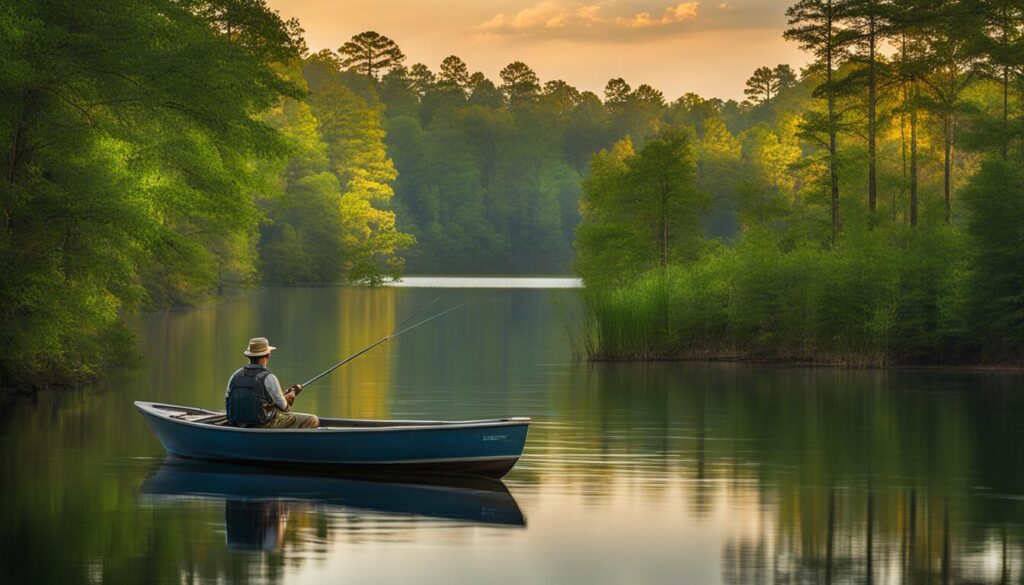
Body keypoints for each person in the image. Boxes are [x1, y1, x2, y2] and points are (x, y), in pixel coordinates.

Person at [225, 337, 320, 429]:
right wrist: (292, 394)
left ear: (249, 356)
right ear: (268, 355)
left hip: (237, 424)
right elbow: (285, 407)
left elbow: (228, 400)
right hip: (262, 424)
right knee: (313, 420)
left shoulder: (235, 376)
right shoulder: (269, 378)